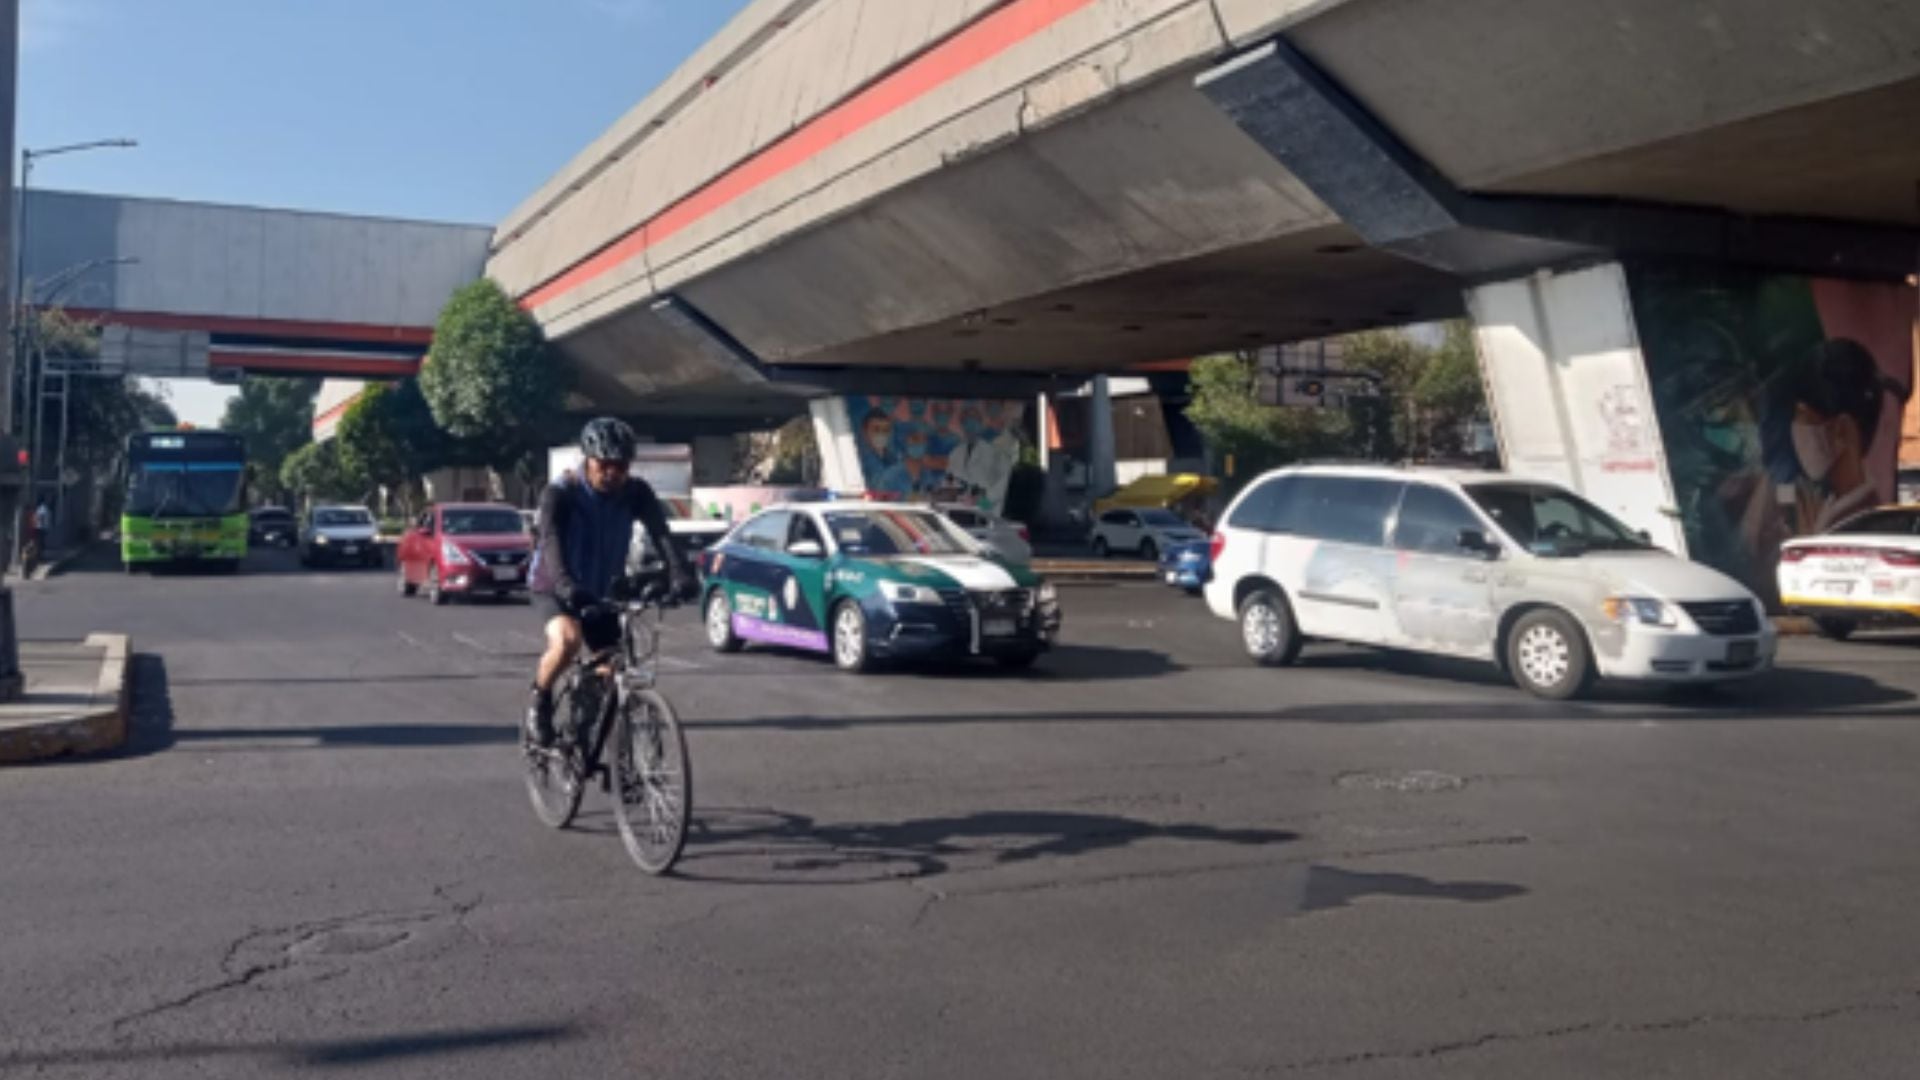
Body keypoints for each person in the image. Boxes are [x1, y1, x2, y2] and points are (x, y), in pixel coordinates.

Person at [526, 418, 697, 748]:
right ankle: (541, 698)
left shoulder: (636, 493)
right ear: (588, 460)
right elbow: (550, 542)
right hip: (554, 584)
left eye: (620, 465)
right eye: (604, 464)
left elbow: (661, 534)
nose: (612, 472)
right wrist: (565, 586)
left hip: (602, 589)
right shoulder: (562, 493)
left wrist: (681, 574)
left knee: (612, 667)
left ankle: (586, 729)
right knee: (567, 640)